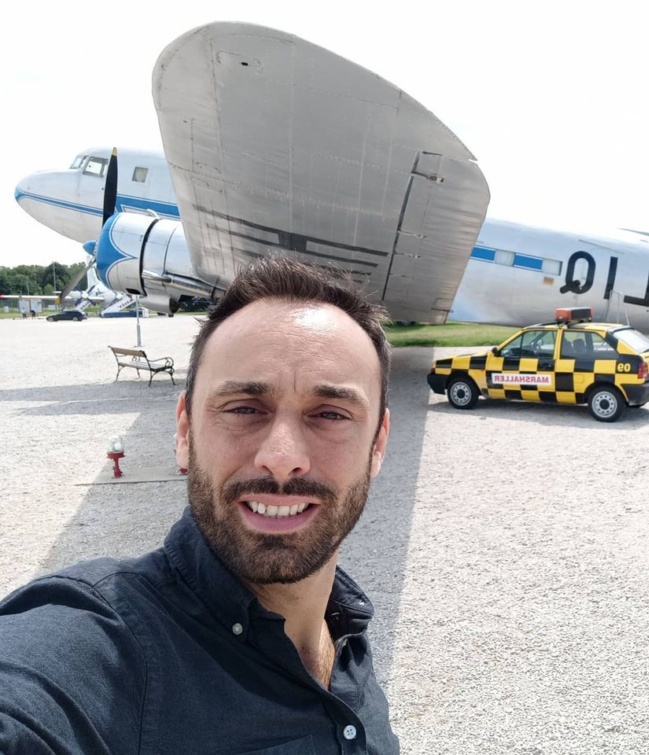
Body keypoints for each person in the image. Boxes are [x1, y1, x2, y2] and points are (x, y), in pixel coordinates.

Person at [0, 257, 398, 754]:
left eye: (331, 414)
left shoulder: (346, 637)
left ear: (378, 444)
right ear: (185, 433)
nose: (281, 458)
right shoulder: (99, 646)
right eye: (244, 408)